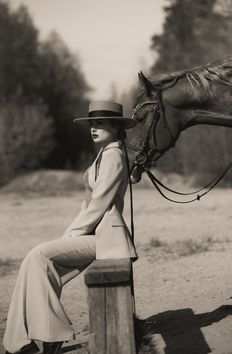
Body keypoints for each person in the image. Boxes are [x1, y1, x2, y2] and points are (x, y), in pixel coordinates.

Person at [3, 101, 138, 354]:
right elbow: (91, 201)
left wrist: (71, 235)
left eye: (100, 123)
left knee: (38, 256)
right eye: (91, 124)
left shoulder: (114, 156)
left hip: (107, 238)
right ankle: (22, 340)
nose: (93, 128)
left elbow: (99, 204)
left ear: (116, 126)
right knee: (34, 261)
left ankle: (44, 334)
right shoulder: (105, 154)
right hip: (96, 234)